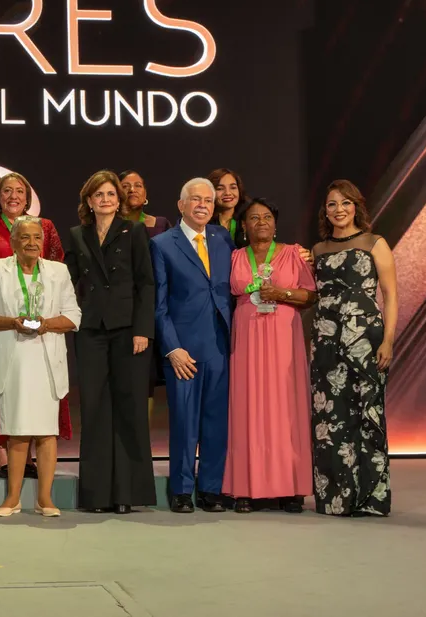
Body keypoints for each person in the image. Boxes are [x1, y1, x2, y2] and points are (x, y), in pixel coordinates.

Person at [0, 172, 71, 480]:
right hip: (2, 326)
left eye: (19, 191)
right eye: (7, 191)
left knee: (40, 388)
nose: (13, 196)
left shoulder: (45, 227)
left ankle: (36, 452)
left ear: (28, 197)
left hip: (42, 327)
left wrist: (51, 318)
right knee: (4, 388)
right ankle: (2, 452)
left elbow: (57, 267)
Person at [0, 216, 81, 517]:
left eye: (37, 237)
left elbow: (74, 316)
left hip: (47, 360)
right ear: (13, 241)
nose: (32, 243)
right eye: (25, 237)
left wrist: (46, 324)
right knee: (17, 432)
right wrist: (12, 323)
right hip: (13, 361)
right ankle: (12, 499)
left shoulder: (58, 271)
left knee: (47, 433)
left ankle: (45, 499)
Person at [65, 170, 156, 514]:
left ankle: (127, 493)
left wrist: (142, 330)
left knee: (130, 408)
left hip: (127, 329)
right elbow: (68, 281)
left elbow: (146, 283)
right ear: (88, 201)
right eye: (98, 195)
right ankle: (97, 495)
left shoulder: (133, 232)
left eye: (111, 195)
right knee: (95, 408)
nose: (105, 200)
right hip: (90, 330)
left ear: (119, 200)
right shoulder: (77, 234)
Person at [222, 198, 318, 514]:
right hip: (246, 340)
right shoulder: (235, 257)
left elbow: (311, 295)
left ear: (275, 224)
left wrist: (282, 294)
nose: (261, 222)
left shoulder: (293, 254)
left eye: (267, 217)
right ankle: (246, 489)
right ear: (244, 226)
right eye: (253, 217)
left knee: (285, 407)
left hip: (283, 338)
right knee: (247, 409)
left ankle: (291, 488)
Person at [311, 180, 397, 517]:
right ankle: (336, 499)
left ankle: (370, 498)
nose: (339, 210)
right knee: (330, 418)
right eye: (332, 204)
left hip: (366, 341)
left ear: (356, 206)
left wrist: (388, 340)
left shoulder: (375, 243)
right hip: (326, 341)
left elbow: (390, 295)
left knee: (367, 414)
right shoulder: (318, 250)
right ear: (325, 211)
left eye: (345, 203)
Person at [150, 177, 234, 514]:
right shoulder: (162, 244)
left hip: (220, 343)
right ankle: (182, 489)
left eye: (209, 201)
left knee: (216, 420)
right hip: (183, 349)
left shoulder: (223, 238)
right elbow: (158, 304)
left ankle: (211, 487)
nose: (203, 205)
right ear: (181, 205)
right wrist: (172, 348)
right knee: (184, 420)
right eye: (195, 199)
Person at [119, 169, 172, 425]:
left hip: (151, 310)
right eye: (126, 185)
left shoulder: (160, 225)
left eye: (138, 185)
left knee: (145, 381)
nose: (132, 189)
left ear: (146, 193)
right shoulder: (107, 224)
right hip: (119, 310)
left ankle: (140, 442)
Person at [119, 170, 173, 238]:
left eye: (138, 185)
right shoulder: (109, 226)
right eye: (125, 186)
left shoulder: (162, 225)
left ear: (145, 194)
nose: (132, 190)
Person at [207, 168, 246, 247]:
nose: (228, 193)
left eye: (233, 187)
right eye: (220, 189)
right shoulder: (204, 223)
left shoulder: (246, 221)